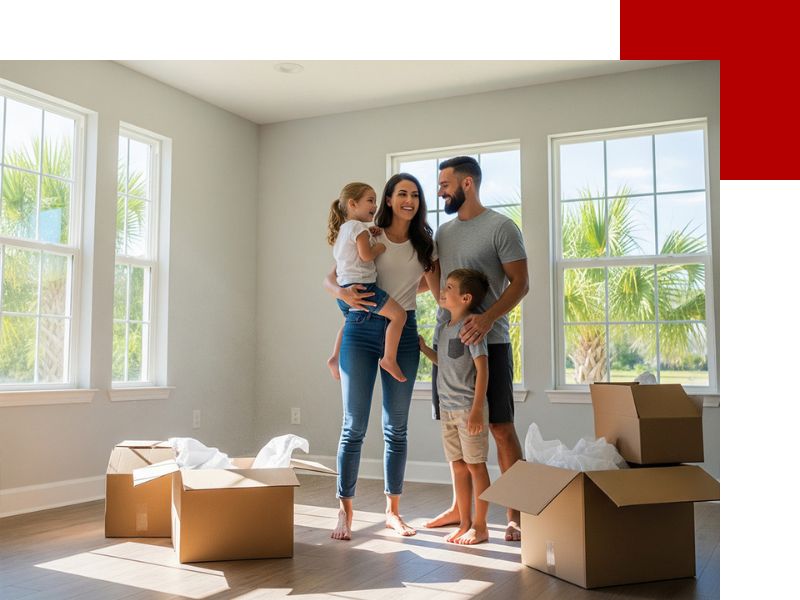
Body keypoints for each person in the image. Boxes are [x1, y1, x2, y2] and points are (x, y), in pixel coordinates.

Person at [323, 173, 440, 541]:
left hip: (402, 335)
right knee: (353, 426)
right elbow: (331, 279)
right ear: (388, 199)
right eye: (402, 193)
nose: (410, 199)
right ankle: (344, 513)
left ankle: (393, 512)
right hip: (360, 327)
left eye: (415, 195)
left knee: (396, 429)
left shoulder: (424, 244)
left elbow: (435, 292)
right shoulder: (370, 233)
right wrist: (342, 295)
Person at [424, 156, 529, 542]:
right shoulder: (444, 234)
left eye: (445, 184)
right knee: (454, 428)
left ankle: (514, 514)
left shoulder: (501, 227)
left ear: (467, 184)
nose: (439, 191)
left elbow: (520, 283)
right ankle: (459, 509)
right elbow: (436, 285)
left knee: (500, 428)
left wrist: (486, 319)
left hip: (491, 343)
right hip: (447, 344)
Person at [419, 268, 491, 545]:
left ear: (465, 298)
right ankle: (464, 523)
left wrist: (476, 410)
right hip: (447, 409)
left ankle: (481, 526)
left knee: (475, 466)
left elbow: (482, 370)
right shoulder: (444, 327)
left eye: (449, 287)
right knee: (458, 466)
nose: (443, 290)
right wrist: (426, 350)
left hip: (467, 410)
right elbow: (445, 362)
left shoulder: (471, 328)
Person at [326, 182, 408, 383]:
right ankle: (389, 358)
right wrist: (378, 247)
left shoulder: (343, 231)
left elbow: (350, 257)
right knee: (399, 315)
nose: (375, 205)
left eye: (376, 201)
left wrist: (368, 235)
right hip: (364, 287)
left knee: (348, 322)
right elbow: (365, 256)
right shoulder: (358, 227)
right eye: (370, 200)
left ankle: (335, 357)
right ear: (353, 204)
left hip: (344, 292)